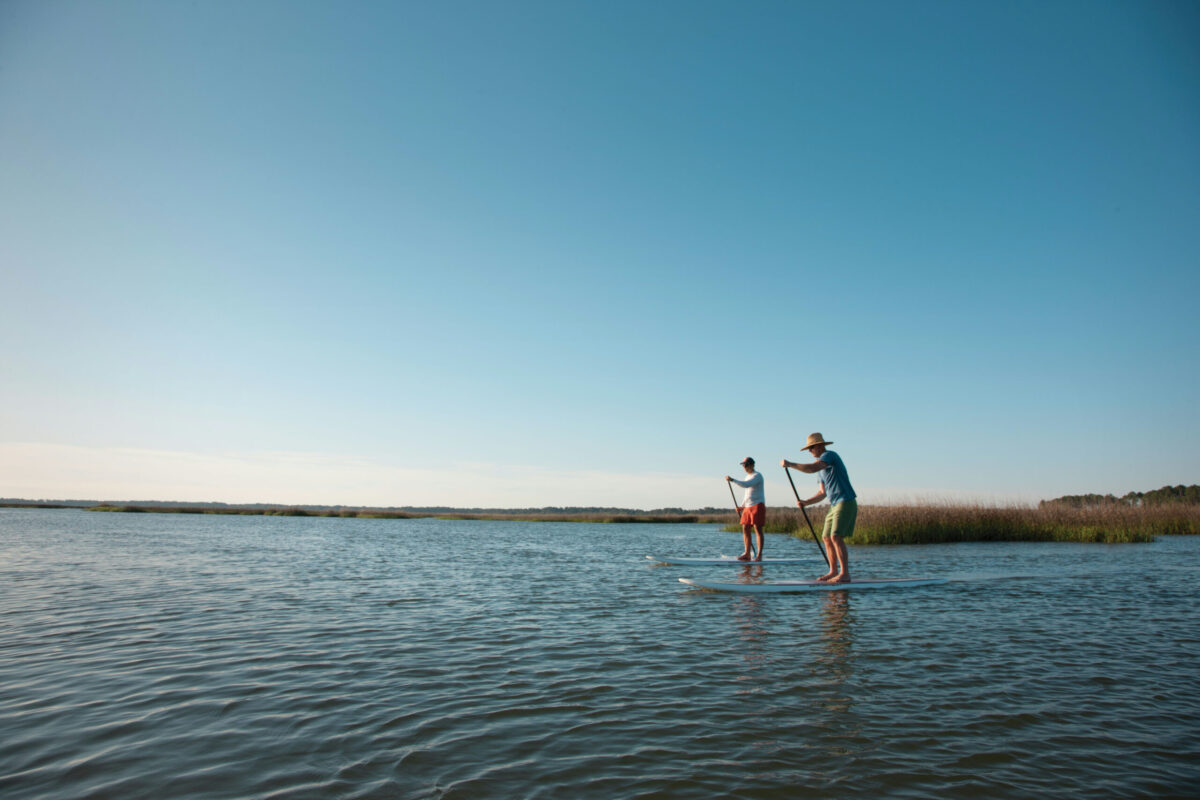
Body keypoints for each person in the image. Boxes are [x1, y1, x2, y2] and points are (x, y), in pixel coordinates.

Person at [782, 433, 857, 583]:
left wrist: (791, 464)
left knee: (836, 536)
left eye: (811, 448)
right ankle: (833, 571)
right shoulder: (821, 470)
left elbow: (812, 468)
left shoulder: (830, 455)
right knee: (826, 537)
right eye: (809, 449)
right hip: (834, 505)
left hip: (846, 501)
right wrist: (806, 502)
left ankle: (845, 574)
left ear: (820, 446)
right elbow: (822, 493)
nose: (810, 451)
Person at [726, 457, 766, 561]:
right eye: (744, 465)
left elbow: (746, 485)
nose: (745, 467)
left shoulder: (757, 475)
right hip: (748, 507)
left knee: (757, 529)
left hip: (757, 505)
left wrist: (732, 480)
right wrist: (742, 506)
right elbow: (747, 494)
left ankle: (759, 555)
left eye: (746, 465)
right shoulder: (747, 476)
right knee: (745, 528)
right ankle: (747, 554)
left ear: (752, 465)